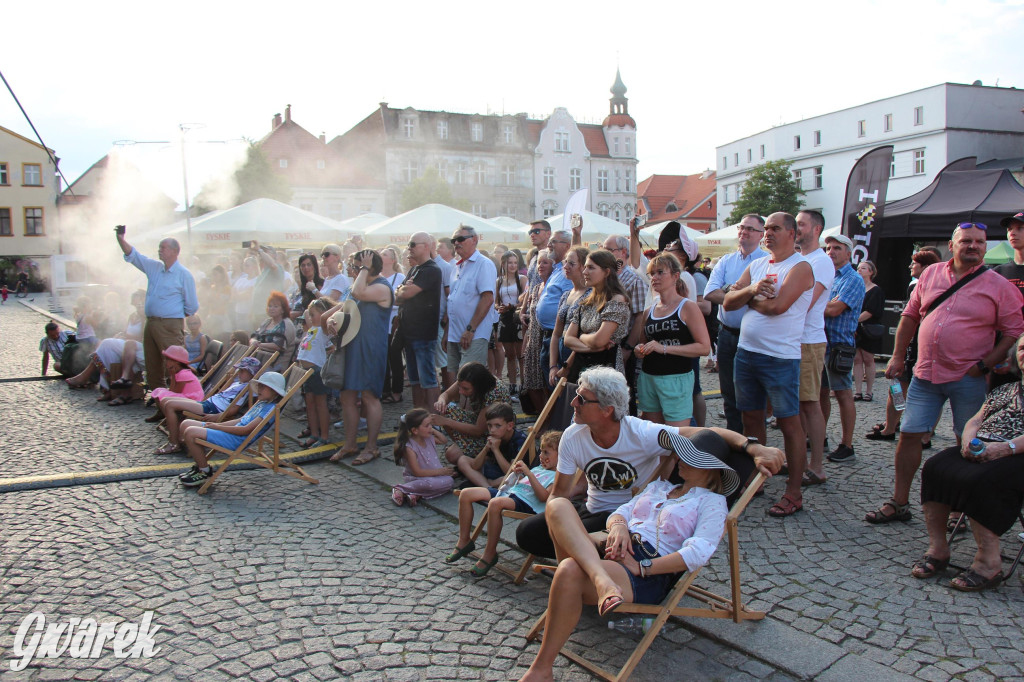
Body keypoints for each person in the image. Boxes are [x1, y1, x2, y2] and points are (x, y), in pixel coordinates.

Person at [517, 428, 740, 682]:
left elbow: (699, 551)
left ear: (709, 468)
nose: (679, 459)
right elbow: (621, 511)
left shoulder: (711, 502)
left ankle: (541, 670)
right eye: (680, 454)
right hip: (612, 546)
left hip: (646, 568)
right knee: (558, 505)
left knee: (568, 569)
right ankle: (600, 578)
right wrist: (619, 527)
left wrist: (642, 566)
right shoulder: (659, 486)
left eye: (689, 457)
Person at [515, 366, 785, 560]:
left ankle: (589, 559)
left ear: (607, 409)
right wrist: (562, 524)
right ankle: (591, 555)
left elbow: (708, 434)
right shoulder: (574, 435)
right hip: (593, 513)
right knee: (528, 533)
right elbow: (559, 495)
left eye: (582, 399)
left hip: (634, 519)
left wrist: (754, 446)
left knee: (591, 540)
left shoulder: (642, 433)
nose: (573, 402)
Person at [869, 223, 1024, 524]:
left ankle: (960, 509)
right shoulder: (930, 274)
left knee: (965, 442)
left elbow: (1014, 332)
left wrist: (986, 364)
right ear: (952, 246)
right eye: (966, 241)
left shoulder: (998, 285)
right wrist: (898, 356)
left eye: (980, 242)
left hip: (968, 377)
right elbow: (910, 316)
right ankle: (900, 502)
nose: (974, 246)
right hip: (926, 374)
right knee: (909, 435)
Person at [910, 332, 1024, 592]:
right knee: (936, 466)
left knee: (982, 480)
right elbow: (975, 419)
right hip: (985, 444)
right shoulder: (1006, 388)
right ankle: (938, 548)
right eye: (1022, 349)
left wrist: (1003, 449)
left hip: (1017, 453)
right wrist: (967, 440)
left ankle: (988, 562)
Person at [723, 212, 813, 518]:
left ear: (791, 233)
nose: (768, 234)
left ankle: (794, 491)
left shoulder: (800, 268)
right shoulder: (758, 265)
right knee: (751, 420)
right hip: (746, 353)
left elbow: (777, 307)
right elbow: (727, 302)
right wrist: (750, 291)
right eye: (767, 229)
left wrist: (747, 298)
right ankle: (755, 479)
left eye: (775, 229)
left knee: (790, 425)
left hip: (780, 358)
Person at [448, 430, 562, 579]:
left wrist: (529, 474)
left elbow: (543, 497)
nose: (541, 456)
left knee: (495, 503)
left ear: (561, 457)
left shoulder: (557, 476)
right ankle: (464, 540)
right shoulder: (538, 469)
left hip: (526, 503)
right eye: (541, 451)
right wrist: (518, 475)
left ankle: (490, 554)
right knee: (466, 493)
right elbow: (518, 485)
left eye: (546, 453)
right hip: (510, 494)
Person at [866, 249, 942, 444]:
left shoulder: (921, 286)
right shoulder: (922, 285)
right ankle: (918, 432)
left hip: (917, 347)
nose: (910, 266)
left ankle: (894, 428)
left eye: (914, 263)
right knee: (905, 389)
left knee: (902, 389)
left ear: (925, 266)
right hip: (918, 347)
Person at [703, 214, 769, 433]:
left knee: (753, 393)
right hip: (728, 334)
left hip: (755, 336)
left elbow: (769, 300)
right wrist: (745, 298)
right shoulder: (726, 260)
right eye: (741, 228)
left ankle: (754, 439)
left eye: (750, 229)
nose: (744, 232)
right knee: (729, 392)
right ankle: (733, 437)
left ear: (761, 235)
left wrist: (733, 294)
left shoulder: (767, 262)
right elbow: (710, 294)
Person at [629, 253, 710, 426]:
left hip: (676, 378)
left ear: (675, 276)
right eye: (652, 274)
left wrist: (664, 348)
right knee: (654, 436)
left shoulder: (687, 307)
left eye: (660, 272)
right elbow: (643, 343)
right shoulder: (649, 311)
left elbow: (704, 348)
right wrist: (640, 350)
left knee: (676, 437)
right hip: (649, 378)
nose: (655, 278)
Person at [331, 249, 393, 465]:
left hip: (371, 348)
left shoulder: (382, 286)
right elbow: (350, 305)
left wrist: (364, 268)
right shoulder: (363, 282)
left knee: (369, 396)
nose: (354, 270)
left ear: (369, 267)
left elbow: (358, 293)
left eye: (357, 266)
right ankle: (350, 444)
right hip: (353, 346)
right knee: (347, 396)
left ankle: (371, 447)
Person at [116, 230, 198, 392]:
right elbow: (134, 255)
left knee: (175, 366)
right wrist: (120, 239)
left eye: (164, 247)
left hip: (169, 325)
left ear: (175, 252)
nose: (160, 250)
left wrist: (173, 316)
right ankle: (161, 405)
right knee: (153, 366)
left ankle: (181, 403)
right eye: (160, 247)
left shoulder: (184, 274)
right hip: (151, 322)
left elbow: (192, 305)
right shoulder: (154, 267)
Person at [177, 371, 287, 488]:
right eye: (259, 385)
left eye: (263, 386)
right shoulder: (262, 403)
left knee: (190, 432)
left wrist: (219, 427)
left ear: (274, 391)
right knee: (185, 423)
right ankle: (200, 466)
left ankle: (204, 471)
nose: (259, 389)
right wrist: (220, 425)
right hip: (232, 432)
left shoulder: (270, 409)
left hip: (237, 439)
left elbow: (245, 430)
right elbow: (240, 420)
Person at [794, 211, 835, 478]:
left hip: (808, 340)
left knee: (810, 403)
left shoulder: (821, 261)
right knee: (795, 405)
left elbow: (806, 303)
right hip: (792, 340)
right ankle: (797, 459)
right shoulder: (800, 260)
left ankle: (817, 466)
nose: (796, 228)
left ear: (816, 228)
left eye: (801, 224)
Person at [820, 235, 866, 469]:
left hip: (839, 345)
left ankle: (847, 445)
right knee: (821, 394)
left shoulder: (853, 279)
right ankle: (820, 437)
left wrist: (822, 305)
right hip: (822, 344)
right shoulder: (829, 277)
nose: (831, 252)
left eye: (837, 248)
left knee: (843, 394)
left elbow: (835, 309)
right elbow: (827, 306)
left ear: (849, 253)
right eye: (828, 248)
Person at [153, 356, 260, 455]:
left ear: (252, 374)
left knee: (169, 404)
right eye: (239, 370)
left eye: (242, 371)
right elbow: (222, 394)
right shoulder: (238, 383)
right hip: (208, 403)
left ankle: (174, 444)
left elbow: (234, 409)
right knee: (165, 400)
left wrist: (218, 416)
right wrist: (229, 380)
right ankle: (176, 433)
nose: (239, 373)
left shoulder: (246, 388)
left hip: (212, 408)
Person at [563, 250, 630, 383]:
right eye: (586, 267)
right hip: (581, 368)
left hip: (606, 370)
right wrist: (590, 347)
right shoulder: (587, 301)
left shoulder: (616, 300)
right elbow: (568, 339)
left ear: (606, 272)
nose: (585, 272)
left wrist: (581, 336)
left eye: (591, 268)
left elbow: (599, 340)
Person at [396, 232, 443, 411]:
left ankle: (433, 418)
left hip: (423, 333)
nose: (409, 248)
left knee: (428, 379)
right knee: (415, 379)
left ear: (426, 246)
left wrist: (402, 290)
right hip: (410, 332)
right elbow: (398, 297)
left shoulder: (431, 269)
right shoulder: (415, 269)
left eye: (412, 244)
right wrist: (402, 290)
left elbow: (404, 294)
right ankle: (418, 415)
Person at [433, 362, 511, 466]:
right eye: (460, 387)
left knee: (452, 455)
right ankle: (464, 447)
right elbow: (446, 394)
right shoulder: (468, 379)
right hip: (479, 422)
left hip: (494, 432)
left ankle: (487, 457)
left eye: (465, 389)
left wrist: (447, 422)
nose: (460, 391)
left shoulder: (494, 393)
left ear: (478, 386)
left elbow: (478, 430)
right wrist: (441, 401)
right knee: (445, 411)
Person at [445, 225, 498, 372]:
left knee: (469, 378)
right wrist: (447, 333)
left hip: (474, 334)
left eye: (460, 239)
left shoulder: (484, 264)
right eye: (453, 240)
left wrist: (470, 329)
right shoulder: (456, 267)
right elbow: (453, 301)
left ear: (474, 240)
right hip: (455, 334)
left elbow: (487, 299)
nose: (456, 243)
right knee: (454, 375)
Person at [533, 230, 575, 389]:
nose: (548, 245)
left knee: (560, 386)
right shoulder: (557, 268)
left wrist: (577, 233)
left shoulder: (568, 270)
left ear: (567, 246)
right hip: (549, 335)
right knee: (551, 383)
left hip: (560, 336)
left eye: (554, 242)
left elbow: (577, 253)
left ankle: (563, 414)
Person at [391, 408, 455, 507]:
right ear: (415, 430)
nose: (430, 427)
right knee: (430, 484)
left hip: (433, 476)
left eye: (431, 424)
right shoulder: (410, 447)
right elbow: (418, 472)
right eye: (427, 425)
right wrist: (441, 471)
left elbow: (444, 440)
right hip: (417, 479)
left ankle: (416, 495)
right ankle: (401, 489)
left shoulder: (428, 438)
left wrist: (432, 430)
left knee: (450, 481)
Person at [453, 402, 528, 488]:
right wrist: (486, 448)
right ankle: (488, 486)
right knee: (463, 460)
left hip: (515, 474)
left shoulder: (519, 440)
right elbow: (475, 466)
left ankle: (488, 486)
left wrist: (496, 450)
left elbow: (512, 472)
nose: (492, 430)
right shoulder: (495, 436)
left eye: (497, 426)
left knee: (515, 478)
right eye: (489, 425)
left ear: (510, 426)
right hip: (495, 471)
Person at [547, 246, 590, 387]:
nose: (565, 266)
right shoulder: (566, 295)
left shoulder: (590, 295)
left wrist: (566, 367)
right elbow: (556, 333)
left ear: (583, 267)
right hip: (561, 358)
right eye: (565, 262)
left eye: (571, 263)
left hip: (578, 361)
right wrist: (553, 365)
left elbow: (584, 338)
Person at [296, 298, 335, 449]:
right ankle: (314, 434)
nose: (310, 318)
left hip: (317, 370)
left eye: (313, 315)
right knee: (310, 404)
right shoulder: (312, 328)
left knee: (321, 404)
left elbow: (331, 347)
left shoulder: (324, 329)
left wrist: (339, 305)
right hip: (306, 371)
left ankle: (324, 436)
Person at [521, 250, 554, 409]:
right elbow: (532, 317)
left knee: (547, 384)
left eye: (545, 262)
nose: (540, 266)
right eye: (539, 262)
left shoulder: (554, 288)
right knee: (531, 382)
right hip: (533, 340)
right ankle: (542, 415)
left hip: (547, 339)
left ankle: (549, 419)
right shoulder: (536, 288)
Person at [495, 250, 527, 394]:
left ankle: (525, 385)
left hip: (518, 317)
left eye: (515, 262)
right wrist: (499, 307)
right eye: (510, 263)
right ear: (504, 264)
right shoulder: (499, 281)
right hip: (505, 318)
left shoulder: (522, 279)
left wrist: (513, 306)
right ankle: (513, 385)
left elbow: (525, 300)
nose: (513, 265)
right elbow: (496, 302)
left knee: (521, 354)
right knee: (510, 355)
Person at [853, 260, 885, 401]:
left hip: (868, 328)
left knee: (868, 359)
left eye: (863, 268)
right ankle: (858, 390)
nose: (859, 270)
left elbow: (871, 311)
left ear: (871, 272)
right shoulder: (856, 288)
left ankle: (869, 391)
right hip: (856, 329)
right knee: (857, 359)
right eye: (859, 268)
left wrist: (853, 321)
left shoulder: (876, 290)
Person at [380, 245, 406, 404]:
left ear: (392, 259)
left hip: (394, 322)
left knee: (394, 357)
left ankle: (397, 391)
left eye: (385, 254)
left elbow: (402, 300)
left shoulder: (399, 277)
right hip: (380, 322)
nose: (381, 256)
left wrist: (384, 302)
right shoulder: (376, 277)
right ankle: (384, 390)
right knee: (382, 359)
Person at [251, 291, 297, 372]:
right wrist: (253, 341)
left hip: (275, 366)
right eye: (270, 306)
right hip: (260, 362)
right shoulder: (267, 322)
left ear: (283, 309)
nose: (271, 308)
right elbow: (254, 336)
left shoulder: (286, 324)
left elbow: (279, 345)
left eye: (275, 306)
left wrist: (259, 345)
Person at [149, 345, 204, 410]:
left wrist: (173, 377)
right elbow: (171, 391)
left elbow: (176, 392)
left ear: (176, 362)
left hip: (192, 399)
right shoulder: (178, 372)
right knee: (159, 391)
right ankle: (163, 412)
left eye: (167, 359)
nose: (165, 361)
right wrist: (173, 375)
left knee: (162, 394)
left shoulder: (183, 374)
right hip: (185, 397)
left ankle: (166, 413)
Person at [293, 253, 324, 319]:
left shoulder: (321, 283)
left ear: (314, 267)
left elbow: (324, 303)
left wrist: (314, 289)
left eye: (309, 265)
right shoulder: (303, 286)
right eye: (303, 265)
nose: (306, 268)